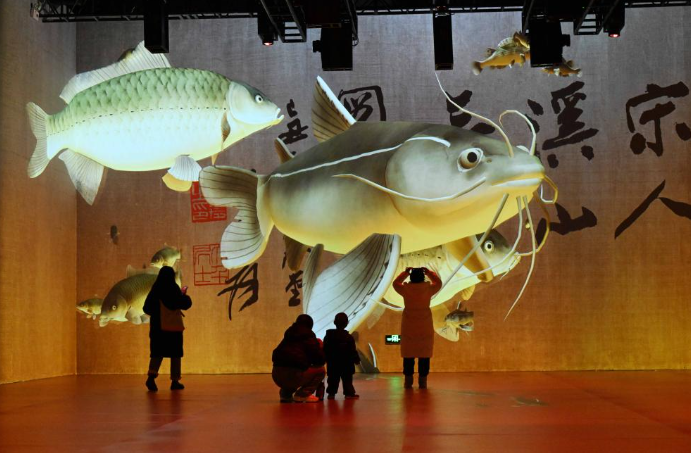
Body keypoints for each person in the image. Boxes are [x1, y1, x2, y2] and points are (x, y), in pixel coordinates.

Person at [143, 266, 192, 391]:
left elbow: (146, 308)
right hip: (173, 329)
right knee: (175, 354)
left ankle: (151, 379)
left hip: (157, 329)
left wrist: (157, 312)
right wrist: (184, 296)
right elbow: (186, 304)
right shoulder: (173, 288)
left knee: (157, 353)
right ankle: (175, 381)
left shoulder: (155, 289)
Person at [393, 267, 442, 389]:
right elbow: (438, 283)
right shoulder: (428, 289)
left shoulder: (405, 289)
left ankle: (408, 382)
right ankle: (423, 382)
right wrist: (429, 272)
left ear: (411, 277)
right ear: (423, 277)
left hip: (409, 325)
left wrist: (405, 272)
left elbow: (395, 283)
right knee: (424, 354)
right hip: (425, 325)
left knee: (408, 354)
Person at [272, 314, 326, 403]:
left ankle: (285, 394)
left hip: (276, 375)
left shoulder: (288, 335)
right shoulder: (309, 336)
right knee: (320, 370)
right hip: (294, 375)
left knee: (294, 368)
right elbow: (320, 360)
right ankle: (302, 395)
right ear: (310, 326)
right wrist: (320, 347)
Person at [323, 312, 361, 400]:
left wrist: (325, 359)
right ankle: (349, 393)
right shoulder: (349, 337)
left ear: (334, 322)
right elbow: (352, 351)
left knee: (332, 379)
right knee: (347, 379)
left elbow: (325, 349)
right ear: (347, 323)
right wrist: (356, 360)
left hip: (333, 363)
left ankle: (331, 394)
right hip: (347, 364)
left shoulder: (328, 336)